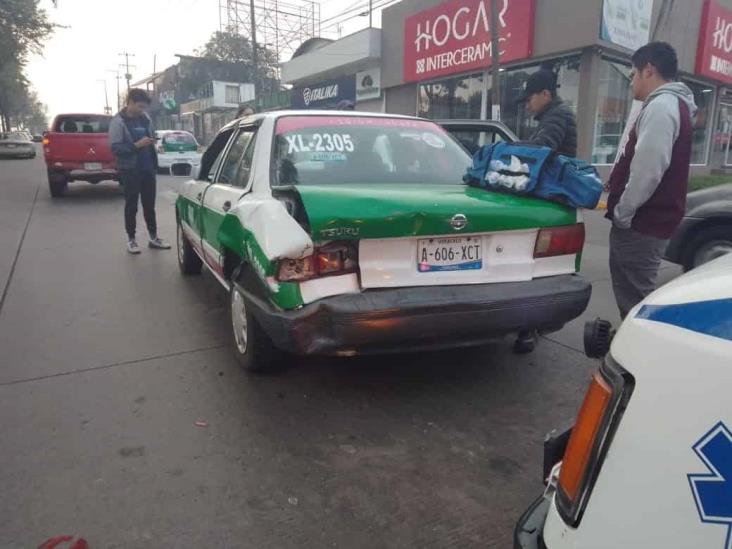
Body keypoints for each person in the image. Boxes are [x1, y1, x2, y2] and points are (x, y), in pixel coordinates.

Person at [606, 42, 697, 318]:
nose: (632, 81)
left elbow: (648, 169)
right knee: (636, 295)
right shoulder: (672, 105)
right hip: (650, 221)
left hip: (641, 224)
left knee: (635, 301)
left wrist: (623, 212)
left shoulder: (662, 107)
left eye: (633, 74)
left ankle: (635, 358)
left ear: (649, 70)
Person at [109, 88, 170, 254]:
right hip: (130, 169)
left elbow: (149, 139)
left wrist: (151, 143)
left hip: (147, 168)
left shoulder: (145, 118)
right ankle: (132, 240)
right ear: (130, 102)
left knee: (149, 205)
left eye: (144, 107)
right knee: (131, 205)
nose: (142, 110)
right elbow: (115, 148)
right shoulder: (118, 122)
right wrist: (137, 145)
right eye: (140, 106)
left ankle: (154, 237)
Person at [518, 67, 577, 157]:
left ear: (545, 94)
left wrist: (511, 146)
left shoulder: (558, 115)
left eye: (529, 100)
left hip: (556, 171)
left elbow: (542, 148)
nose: (527, 106)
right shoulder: (551, 115)